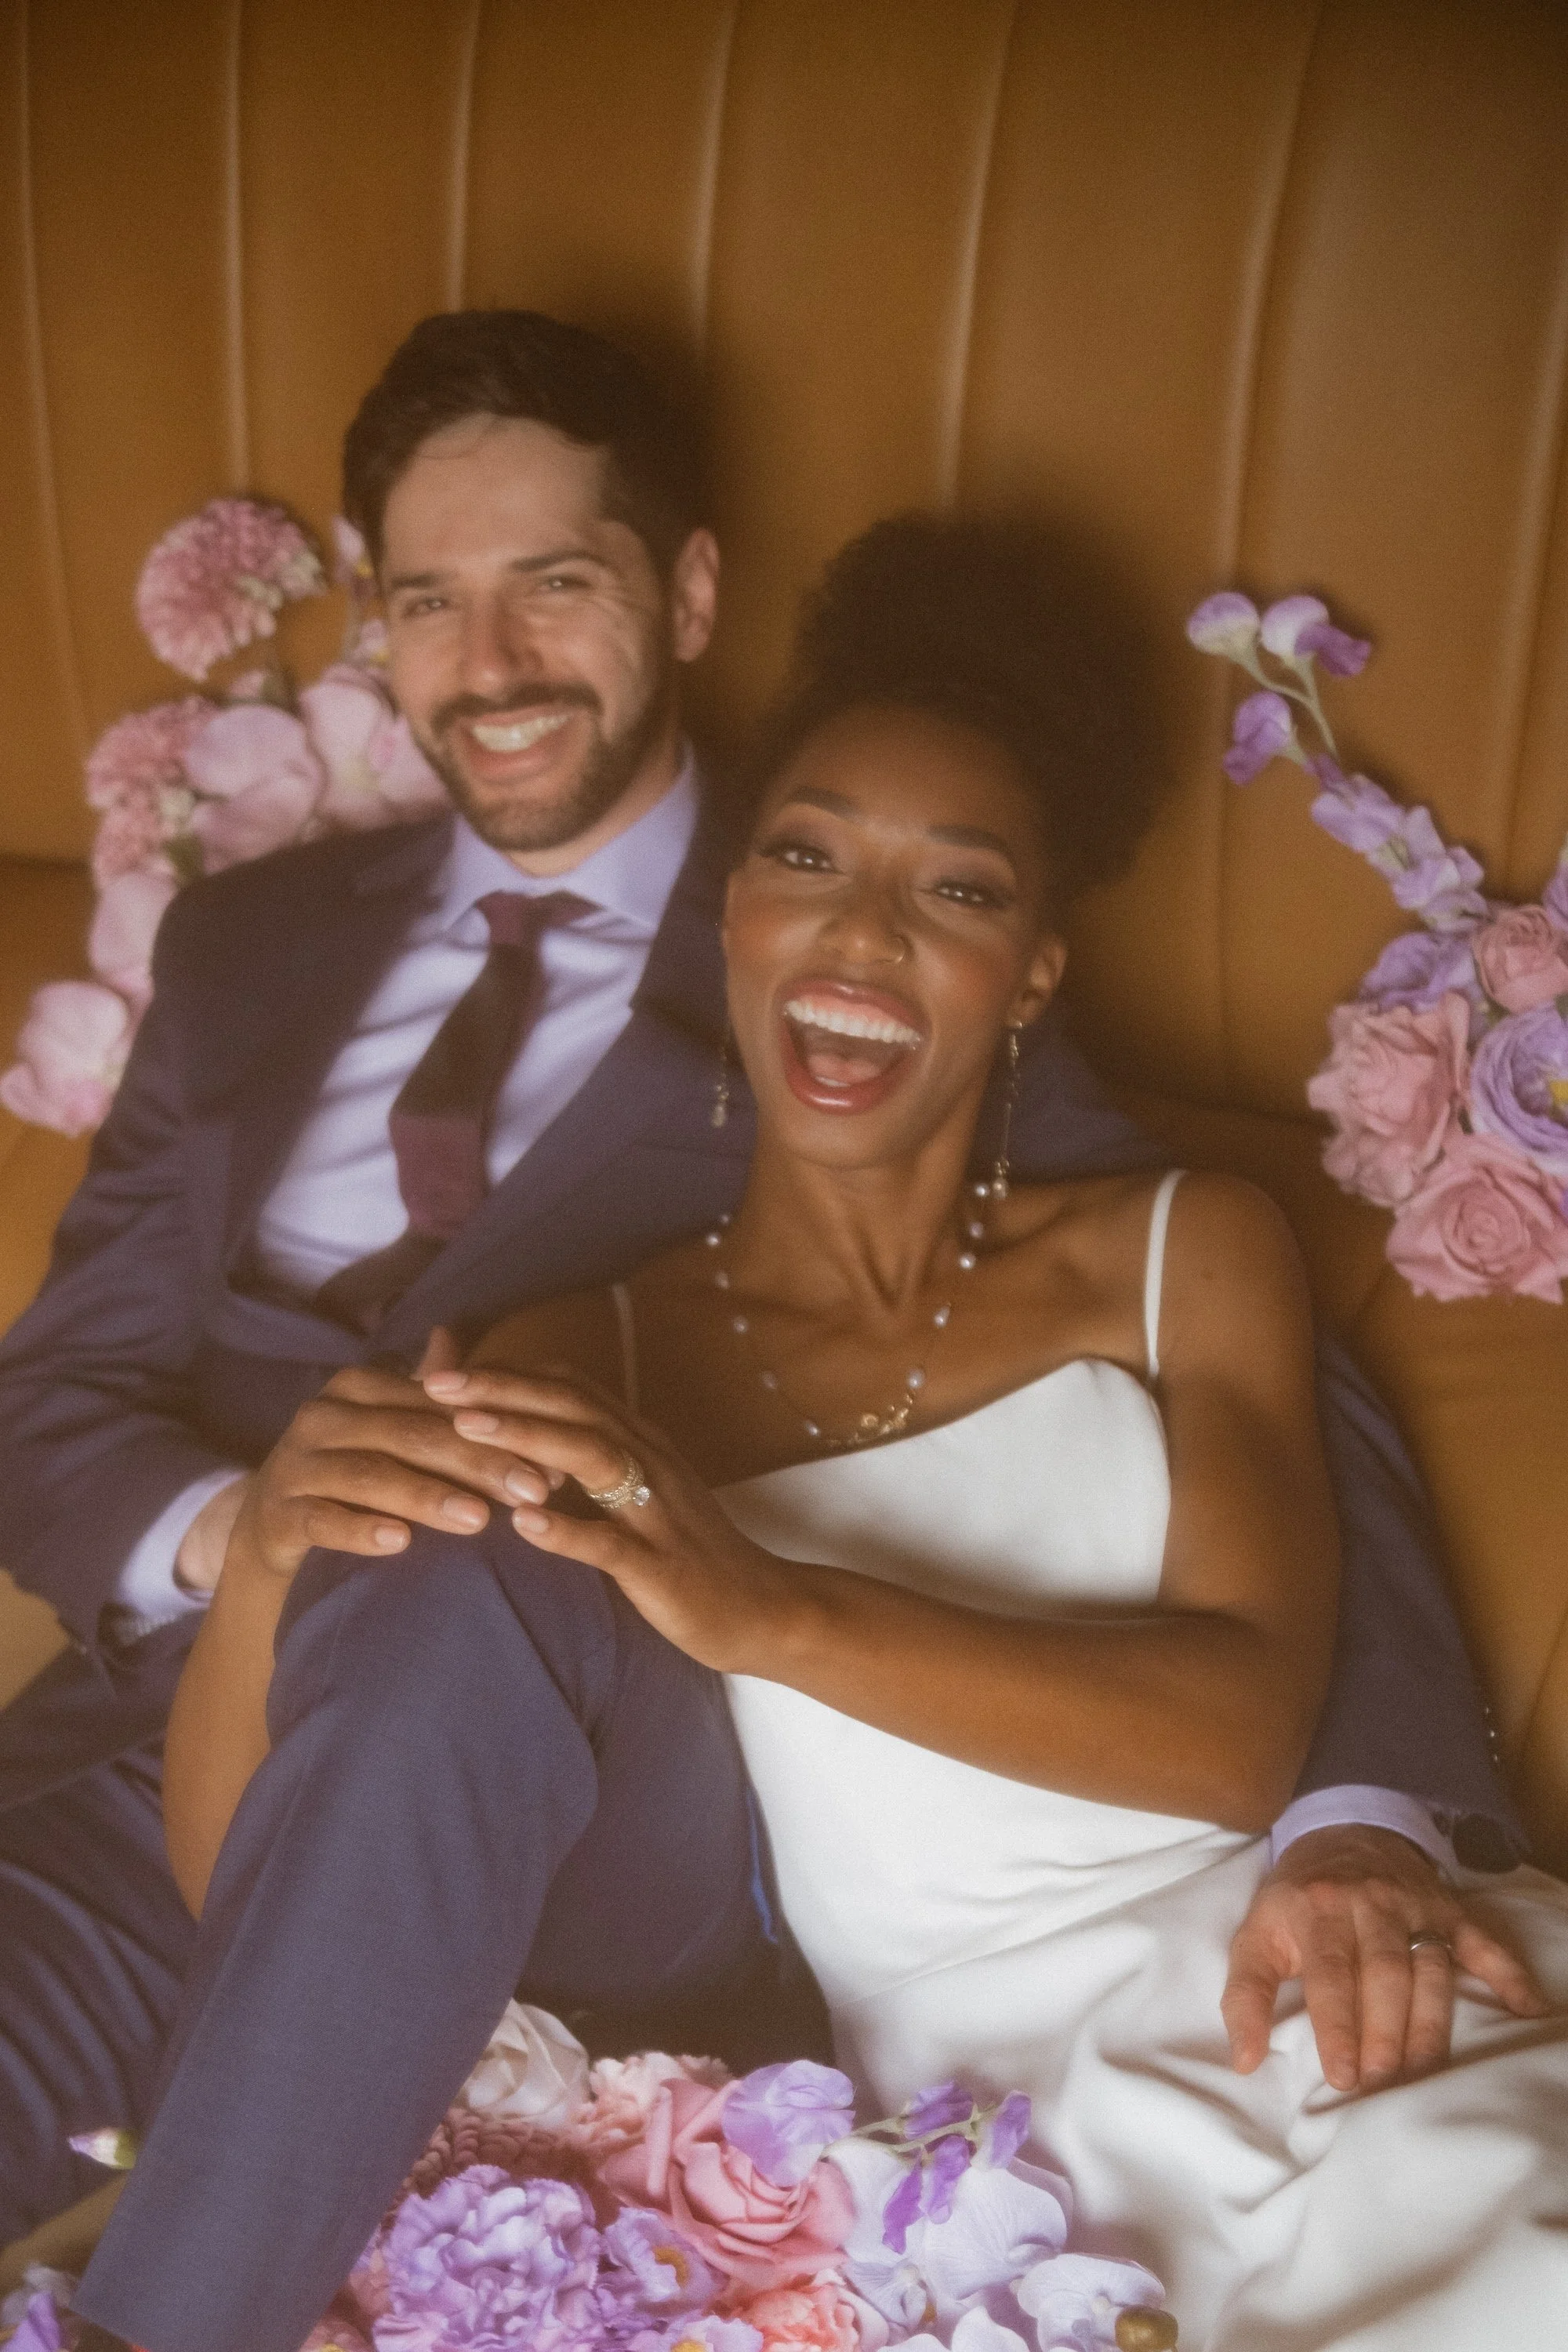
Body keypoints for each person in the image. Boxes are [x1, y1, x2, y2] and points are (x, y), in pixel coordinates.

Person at [0, 311, 1527, 2249]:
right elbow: (50, 1401)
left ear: (689, 592)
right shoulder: (248, 946)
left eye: (556, 585)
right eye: (428, 600)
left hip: (566, 1771)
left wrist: (1363, 1808)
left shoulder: (866, 929)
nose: (490, 669)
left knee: (475, 1568)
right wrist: (271, 1536)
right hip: (146, 1751)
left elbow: (1259, 1377)